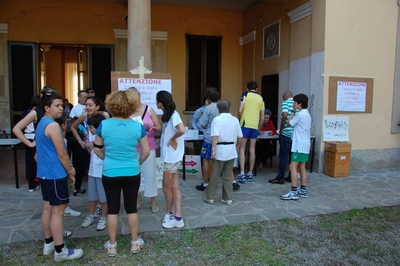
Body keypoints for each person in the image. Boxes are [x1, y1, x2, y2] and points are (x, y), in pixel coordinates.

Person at [94, 90, 150, 256]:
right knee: (131, 208)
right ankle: (134, 242)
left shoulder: (104, 125)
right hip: (132, 171)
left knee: (113, 209)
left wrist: (107, 159)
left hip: (110, 172)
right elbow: (146, 151)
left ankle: (112, 245)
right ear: (131, 106)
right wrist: (136, 163)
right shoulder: (137, 126)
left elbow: (97, 150)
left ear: (111, 104)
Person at [12, 86, 81, 220]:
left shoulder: (51, 117)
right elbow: (17, 129)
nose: (60, 107)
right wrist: (30, 143)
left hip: (50, 150)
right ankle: (56, 233)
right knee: (53, 207)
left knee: (51, 205)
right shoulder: (37, 114)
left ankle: (56, 227)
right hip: (48, 154)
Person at [35, 92, 83, 262]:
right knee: (58, 212)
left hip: (45, 173)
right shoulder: (53, 126)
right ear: (47, 108)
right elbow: (62, 154)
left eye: (62, 105)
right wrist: (71, 171)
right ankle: (60, 250)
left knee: (48, 208)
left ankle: (49, 243)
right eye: (57, 105)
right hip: (55, 174)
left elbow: (39, 153)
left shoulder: (41, 123)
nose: (61, 108)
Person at [128, 87, 162, 214]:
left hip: (148, 146)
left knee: (150, 173)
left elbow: (158, 127)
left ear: (139, 96)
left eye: (135, 97)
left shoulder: (149, 109)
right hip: (132, 147)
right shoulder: (127, 111)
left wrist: (151, 127)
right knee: (134, 174)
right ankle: (137, 200)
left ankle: (153, 200)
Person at [203, 99, 242, 206]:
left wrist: (213, 150)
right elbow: (240, 137)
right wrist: (237, 147)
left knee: (215, 174)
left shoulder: (217, 119)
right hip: (231, 149)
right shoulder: (235, 120)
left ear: (218, 108)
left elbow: (215, 136)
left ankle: (210, 196)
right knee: (227, 175)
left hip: (220, 149)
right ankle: (228, 198)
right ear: (229, 108)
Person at [156, 90, 186, 229]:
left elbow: (181, 129)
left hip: (172, 159)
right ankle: (177, 217)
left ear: (160, 103)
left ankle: (169, 213)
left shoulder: (174, 115)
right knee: (174, 187)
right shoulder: (169, 116)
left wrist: (172, 139)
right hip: (171, 157)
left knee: (166, 187)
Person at [281, 93, 311, 200]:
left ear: (299, 104)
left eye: (294, 102)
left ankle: (293, 191)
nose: (293, 104)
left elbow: (289, 123)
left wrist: (293, 112)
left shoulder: (300, 115)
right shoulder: (307, 114)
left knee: (292, 167)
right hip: (305, 144)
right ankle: (303, 190)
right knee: (302, 167)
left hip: (299, 145)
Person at [80, 114, 108, 231]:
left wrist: (96, 145)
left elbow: (105, 151)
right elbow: (89, 150)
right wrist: (88, 145)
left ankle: (103, 217)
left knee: (103, 196)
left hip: (102, 170)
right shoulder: (91, 136)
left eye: (91, 127)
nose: (89, 130)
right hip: (92, 170)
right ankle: (91, 215)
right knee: (92, 195)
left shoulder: (105, 137)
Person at [237, 81, 264, 183]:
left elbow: (240, 110)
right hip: (254, 126)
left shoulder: (245, 95)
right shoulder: (260, 98)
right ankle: (250, 173)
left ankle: (242, 173)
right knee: (252, 149)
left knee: (242, 149)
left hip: (245, 124)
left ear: (247, 88)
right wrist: (259, 127)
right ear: (256, 89)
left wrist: (240, 121)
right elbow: (262, 117)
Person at [269, 91, 296, 185]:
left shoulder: (285, 103)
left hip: (286, 133)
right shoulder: (296, 104)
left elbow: (284, 115)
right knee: (292, 157)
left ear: (284, 97)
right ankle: (291, 176)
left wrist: (281, 128)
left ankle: (280, 177)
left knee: (283, 157)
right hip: (295, 135)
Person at [195, 87, 219, 191]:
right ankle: (214, 182)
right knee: (217, 161)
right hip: (219, 138)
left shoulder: (208, 108)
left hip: (209, 137)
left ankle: (205, 183)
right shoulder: (221, 107)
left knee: (205, 159)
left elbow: (202, 125)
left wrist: (202, 116)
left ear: (208, 98)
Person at [67, 90, 89, 196]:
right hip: (78, 137)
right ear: (79, 98)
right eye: (83, 97)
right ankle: (71, 185)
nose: (85, 99)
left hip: (86, 137)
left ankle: (78, 186)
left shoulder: (89, 108)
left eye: (87, 97)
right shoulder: (75, 109)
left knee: (79, 163)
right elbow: (72, 123)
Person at [20, 95, 41, 192]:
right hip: (35, 138)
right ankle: (38, 181)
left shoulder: (25, 112)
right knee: (38, 161)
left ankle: (31, 185)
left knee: (30, 163)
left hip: (27, 137)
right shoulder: (38, 113)